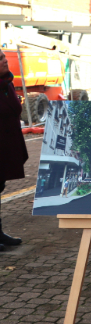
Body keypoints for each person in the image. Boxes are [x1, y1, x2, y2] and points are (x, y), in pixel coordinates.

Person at [0, 49, 25, 250]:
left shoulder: (8, 83)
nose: (4, 60)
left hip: (7, 147)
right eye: (0, 59)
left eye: (3, 57)